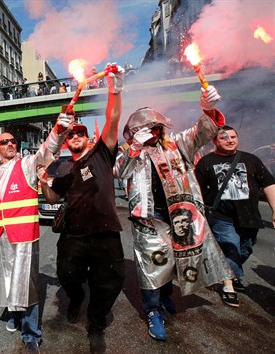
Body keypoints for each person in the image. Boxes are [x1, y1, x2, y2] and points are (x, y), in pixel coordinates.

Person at [113, 85, 235, 342]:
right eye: (146, 128)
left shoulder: (177, 145)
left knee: (176, 259)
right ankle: (152, 310)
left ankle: (167, 295)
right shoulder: (130, 152)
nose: (153, 132)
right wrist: (136, 146)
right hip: (148, 218)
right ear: (134, 132)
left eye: (156, 127)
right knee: (151, 266)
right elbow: (120, 172)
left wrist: (208, 108)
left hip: (180, 214)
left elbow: (202, 132)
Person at [39, 64, 125, 354]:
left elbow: (113, 118)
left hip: (106, 234)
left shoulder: (102, 154)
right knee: (68, 277)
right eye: (71, 133)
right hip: (73, 236)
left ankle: (96, 324)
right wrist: (42, 184)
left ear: (88, 138)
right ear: (66, 140)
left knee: (109, 283)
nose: (75, 136)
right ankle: (75, 298)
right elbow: (52, 200)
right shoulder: (63, 167)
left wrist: (115, 87)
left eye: (80, 132)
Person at [0, 107, 69, 353]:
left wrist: (58, 130)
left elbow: (47, 150)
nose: (11, 144)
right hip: (2, 239)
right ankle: (16, 315)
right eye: (4, 142)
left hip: (24, 238)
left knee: (28, 284)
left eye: (13, 141)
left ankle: (31, 334)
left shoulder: (27, 165)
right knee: (10, 282)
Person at [196, 126, 275, 293]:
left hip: (249, 216)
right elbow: (197, 191)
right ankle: (228, 287)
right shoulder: (206, 162)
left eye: (233, 137)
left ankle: (230, 273)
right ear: (215, 141)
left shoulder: (251, 160)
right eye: (225, 138)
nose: (230, 140)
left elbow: (268, 184)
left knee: (245, 248)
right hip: (221, 216)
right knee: (230, 246)